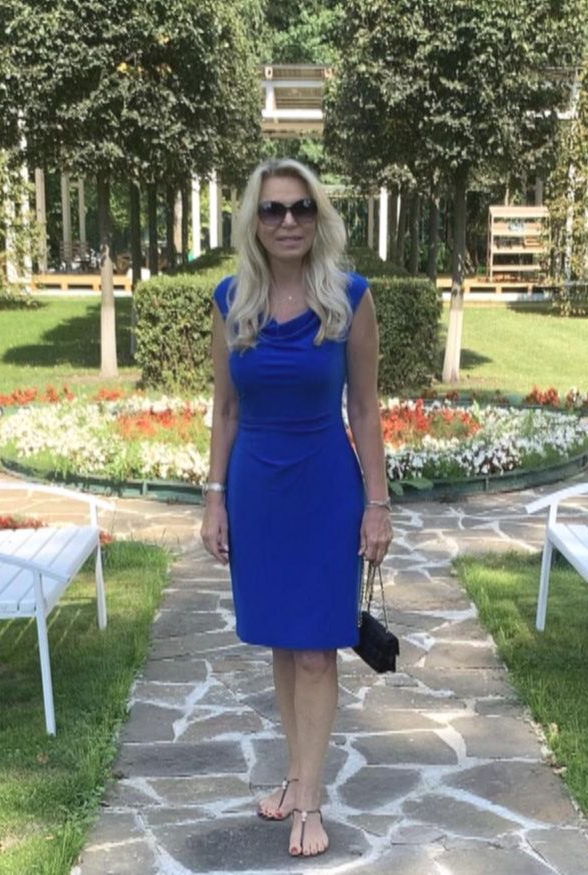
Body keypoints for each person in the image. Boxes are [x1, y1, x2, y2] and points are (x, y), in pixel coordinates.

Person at [200, 158, 392, 859]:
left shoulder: (349, 298)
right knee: (284, 643)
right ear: (254, 221)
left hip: (324, 490)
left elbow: (365, 409)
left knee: (315, 649)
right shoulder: (231, 300)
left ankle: (309, 801)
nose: (289, 221)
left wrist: (378, 504)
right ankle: (295, 775)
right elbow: (225, 408)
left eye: (302, 208)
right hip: (257, 491)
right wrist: (214, 497)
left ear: (320, 218)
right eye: (274, 209)